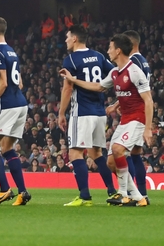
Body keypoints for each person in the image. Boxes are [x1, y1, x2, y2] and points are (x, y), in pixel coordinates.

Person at [60, 34, 153, 206]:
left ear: (118, 51)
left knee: (118, 150)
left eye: (110, 48)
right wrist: (73, 80)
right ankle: (138, 197)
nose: (108, 51)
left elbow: (148, 100)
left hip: (138, 119)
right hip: (125, 119)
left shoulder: (134, 71)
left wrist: (148, 128)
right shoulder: (114, 72)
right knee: (111, 162)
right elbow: (99, 86)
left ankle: (123, 193)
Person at [58, 25, 117, 207]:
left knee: (75, 152)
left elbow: (68, 88)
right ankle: (112, 192)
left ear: (75, 38)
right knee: (96, 152)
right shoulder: (99, 56)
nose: (66, 40)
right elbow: (115, 73)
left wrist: (61, 112)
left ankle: (84, 196)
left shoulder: (71, 60)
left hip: (82, 112)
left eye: (68, 36)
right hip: (99, 112)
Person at [0, 16, 32, 206]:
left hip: (7, 105)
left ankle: (4, 190)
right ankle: (23, 192)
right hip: (20, 104)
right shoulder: (12, 52)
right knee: (7, 148)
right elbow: (19, 82)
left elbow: (3, 82)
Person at [124, 30, 151, 204]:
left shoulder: (133, 61)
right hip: (140, 111)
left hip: (135, 112)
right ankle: (142, 193)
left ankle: (132, 194)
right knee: (135, 154)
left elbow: (131, 87)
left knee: (124, 153)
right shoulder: (144, 61)